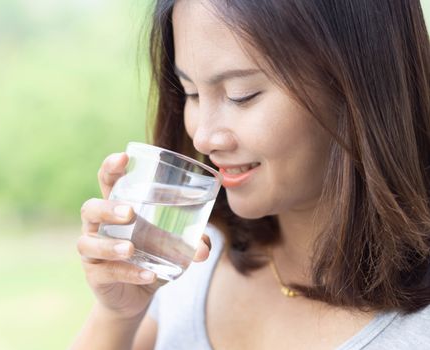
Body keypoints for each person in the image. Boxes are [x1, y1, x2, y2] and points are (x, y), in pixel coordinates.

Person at [71, 0, 430, 348]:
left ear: (359, 85)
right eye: (191, 93)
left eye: (242, 95)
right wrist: (117, 314)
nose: (204, 137)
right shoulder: (188, 259)